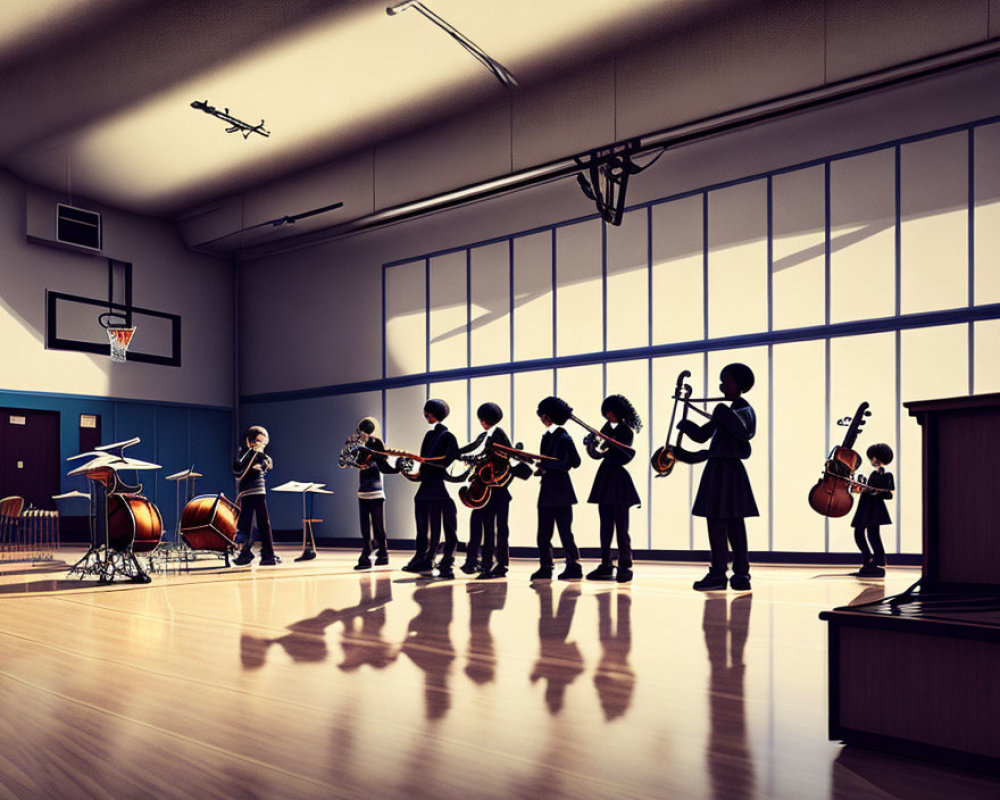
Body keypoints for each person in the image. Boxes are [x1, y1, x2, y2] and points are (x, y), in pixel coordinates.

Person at [676, 364, 758, 591]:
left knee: (733, 525)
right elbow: (703, 436)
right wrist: (686, 425)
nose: (722, 386)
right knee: (718, 524)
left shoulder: (743, 409)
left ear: (740, 385)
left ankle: (739, 572)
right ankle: (721, 572)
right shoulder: (727, 411)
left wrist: (722, 411)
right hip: (718, 471)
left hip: (729, 473)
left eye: (726, 381)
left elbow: (745, 433)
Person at [458, 402, 529, 580]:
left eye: (485, 419)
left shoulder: (498, 435)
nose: (483, 422)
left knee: (496, 529)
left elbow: (504, 460)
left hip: (498, 491)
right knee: (489, 528)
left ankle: (493, 566)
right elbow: (477, 451)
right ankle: (484, 564)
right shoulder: (486, 436)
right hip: (489, 490)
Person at [585, 394, 642, 583]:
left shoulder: (626, 431)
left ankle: (625, 565)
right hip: (605, 478)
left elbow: (625, 456)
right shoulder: (606, 429)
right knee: (605, 526)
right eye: (606, 412)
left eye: (609, 411)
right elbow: (598, 454)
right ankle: (606, 564)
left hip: (618, 480)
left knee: (622, 528)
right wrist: (590, 445)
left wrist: (610, 445)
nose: (607, 415)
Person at [401, 399, 460, 579]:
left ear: (434, 413)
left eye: (427, 412)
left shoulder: (448, 436)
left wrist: (427, 464)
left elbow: (449, 460)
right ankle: (423, 557)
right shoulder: (429, 435)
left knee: (435, 525)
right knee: (422, 525)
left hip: (436, 486)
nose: (425, 415)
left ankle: (433, 558)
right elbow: (423, 460)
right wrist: (415, 471)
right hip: (426, 485)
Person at [531, 396, 582, 581]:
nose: (542, 419)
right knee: (543, 533)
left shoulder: (564, 437)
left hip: (561, 492)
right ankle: (545, 566)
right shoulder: (547, 437)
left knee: (565, 532)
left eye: (544, 415)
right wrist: (542, 467)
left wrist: (547, 466)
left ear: (549, 416)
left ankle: (574, 565)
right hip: (548, 491)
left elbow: (574, 462)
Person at [350, 417, 398, 570]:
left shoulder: (377, 443)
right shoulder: (356, 444)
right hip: (362, 490)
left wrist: (398, 469)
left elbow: (383, 465)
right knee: (364, 526)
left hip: (376, 490)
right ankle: (366, 553)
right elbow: (354, 462)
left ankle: (383, 554)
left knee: (378, 525)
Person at [233, 425, 278, 566]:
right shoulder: (245, 455)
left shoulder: (261, 456)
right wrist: (252, 455)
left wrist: (260, 459)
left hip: (259, 492)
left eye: (263, 442)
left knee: (264, 524)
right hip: (246, 493)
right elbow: (238, 471)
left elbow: (267, 464)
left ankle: (268, 555)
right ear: (249, 441)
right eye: (258, 441)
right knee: (244, 524)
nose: (261, 445)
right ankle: (245, 553)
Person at [850, 443, 894, 578]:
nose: (872, 460)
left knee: (870, 534)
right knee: (865, 533)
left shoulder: (885, 474)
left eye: (872, 457)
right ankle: (870, 558)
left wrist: (873, 491)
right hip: (867, 505)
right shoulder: (875, 473)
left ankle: (874, 559)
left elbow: (888, 494)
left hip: (872, 507)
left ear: (876, 458)